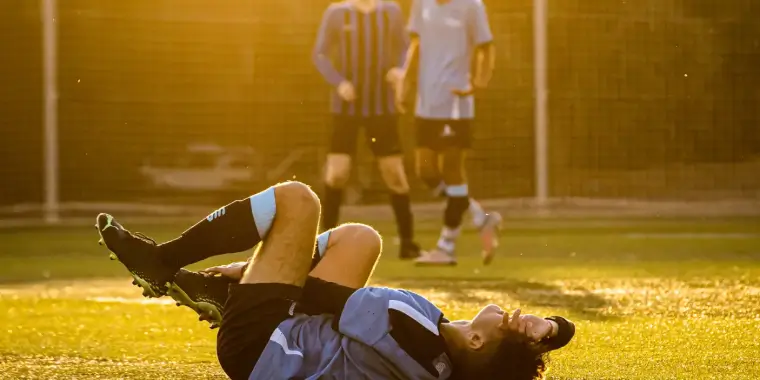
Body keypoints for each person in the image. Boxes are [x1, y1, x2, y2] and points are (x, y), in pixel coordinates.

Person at [95, 181, 575, 380]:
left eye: (511, 323)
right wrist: (550, 331)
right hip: (281, 347)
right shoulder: (439, 359)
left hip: (259, 344)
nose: (514, 314)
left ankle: (164, 261)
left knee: (298, 201)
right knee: (361, 238)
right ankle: (219, 294)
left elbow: (316, 292)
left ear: (474, 339)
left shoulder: (412, 329)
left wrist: (245, 274)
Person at [394, 0, 500, 266]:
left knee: (452, 171)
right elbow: (417, 45)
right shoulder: (421, 4)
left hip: (456, 102)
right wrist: (405, 81)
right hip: (426, 103)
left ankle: (446, 247)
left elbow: (486, 47)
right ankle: (479, 217)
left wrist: (480, 81)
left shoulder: (472, 6)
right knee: (425, 171)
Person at [313, 0, 421, 259]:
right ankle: (325, 247)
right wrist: (339, 83)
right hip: (345, 110)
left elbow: (408, 48)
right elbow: (320, 54)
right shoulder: (337, 13)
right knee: (337, 173)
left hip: (382, 110)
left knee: (394, 174)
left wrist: (399, 70)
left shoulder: (390, 12)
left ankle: (408, 243)